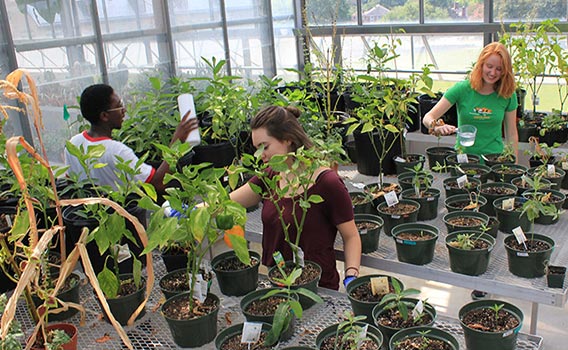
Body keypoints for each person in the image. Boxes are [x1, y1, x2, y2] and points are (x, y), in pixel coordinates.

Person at [229, 105, 361, 290]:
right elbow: (228, 201)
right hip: (280, 284)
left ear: (288, 140)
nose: (261, 155)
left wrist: (351, 275)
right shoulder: (270, 176)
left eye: (264, 147)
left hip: (318, 288)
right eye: (256, 149)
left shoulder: (326, 183)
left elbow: (351, 235)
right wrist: (193, 209)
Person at [65, 84, 198, 192]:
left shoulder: (74, 143)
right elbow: (157, 183)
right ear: (104, 116)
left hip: (91, 217)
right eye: (118, 106)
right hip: (121, 215)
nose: (124, 110)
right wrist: (176, 141)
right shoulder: (117, 151)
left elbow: (71, 183)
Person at [422, 42, 519, 161]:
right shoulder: (462, 89)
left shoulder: (507, 94)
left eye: (499, 69)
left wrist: (514, 167)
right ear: (481, 65)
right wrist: (436, 127)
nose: (493, 73)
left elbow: (512, 135)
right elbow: (428, 117)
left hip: (494, 160)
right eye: (489, 66)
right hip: (464, 159)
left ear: (505, 71)